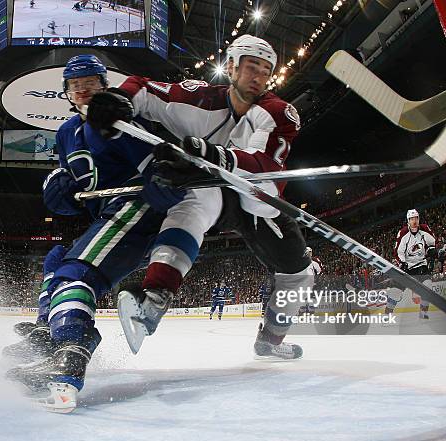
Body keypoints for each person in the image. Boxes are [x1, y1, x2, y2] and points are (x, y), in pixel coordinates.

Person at [89, 34, 314, 359]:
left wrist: (213, 155)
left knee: (299, 276)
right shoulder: (199, 98)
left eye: (266, 71)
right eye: (252, 67)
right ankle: (153, 299)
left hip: (255, 199)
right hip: (209, 187)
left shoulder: (277, 111)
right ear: (232, 67)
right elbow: (143, 89)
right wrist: (119, 99)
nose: (259, 78)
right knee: (195, 199)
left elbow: (267, 178)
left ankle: (270, 341)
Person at [4, 55, 183, 411]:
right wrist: (60, 190)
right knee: (57, 260)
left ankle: (71, 350)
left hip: (139, 210)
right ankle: (48, 332)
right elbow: (71, 184)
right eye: (75, 85)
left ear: (105, 86)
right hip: (107, 214)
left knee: (76, 273)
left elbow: (161, 166)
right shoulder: (66, 133)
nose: (83, 90)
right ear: (67, 93)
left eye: (90, 83)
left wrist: (167, 178)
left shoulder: (121, 121)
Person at [385, 209, 437, 319]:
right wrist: (402, 263)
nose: (414, 221)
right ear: (408, 221)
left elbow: (432, 242)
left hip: (421, 265)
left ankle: (423, 313)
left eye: (416, 218)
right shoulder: (403, 233)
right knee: (395, 292)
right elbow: (398, 251)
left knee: (428, 286)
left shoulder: (424, 229)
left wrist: (431, 249)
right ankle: (387, 315)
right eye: (412, 219)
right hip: (406, 267)